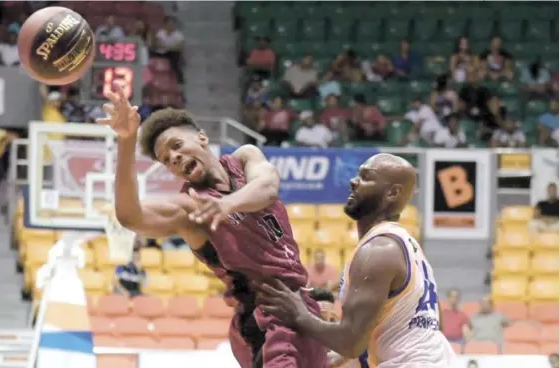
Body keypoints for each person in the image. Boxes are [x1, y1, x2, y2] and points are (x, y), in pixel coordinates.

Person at [97, 81, 328, 368]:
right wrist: (126, 140)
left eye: (177, 146)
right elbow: (131, 217)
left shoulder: (245, 158)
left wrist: (228, 204)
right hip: (264, 317)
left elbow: (268, 186)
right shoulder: (191, 207)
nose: (175, 158)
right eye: (167, 160)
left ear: (202, 138)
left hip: (302, 306)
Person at [256, 153, 455, 367]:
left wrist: (298, 314)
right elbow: (433, 325)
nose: (353, 181)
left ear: (392, 193)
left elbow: (351, 342)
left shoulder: (379, 250)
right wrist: (337, 358)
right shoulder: (409, 247)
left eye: (366, 177)